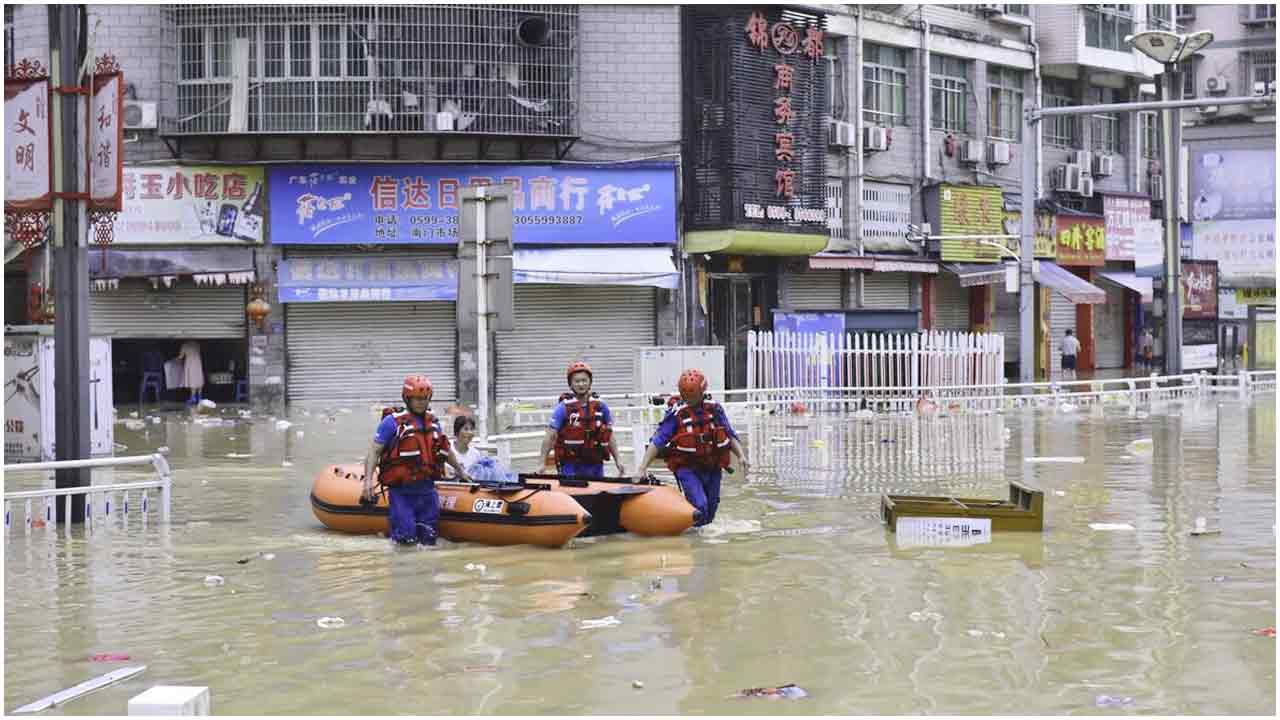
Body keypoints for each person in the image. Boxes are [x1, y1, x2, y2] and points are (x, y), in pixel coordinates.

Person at [363, 374, 472, 546]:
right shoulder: (392, 423)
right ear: (407, 398)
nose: (422, 402)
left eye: (425, 398)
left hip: (427, 492)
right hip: (402, 493)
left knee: (429, 541)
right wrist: (367, 482)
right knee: (406, 540)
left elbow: (445, 450)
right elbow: (374, 452)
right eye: (417, 399)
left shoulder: (434, 423)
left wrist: (460, 471)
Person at [635, 368, 748, 528]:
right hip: (687, 468)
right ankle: (693, 539)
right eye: (686, 396)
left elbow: (729, 433)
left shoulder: (714, 409)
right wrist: (642, 467)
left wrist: (741, 456)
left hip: (712, 466)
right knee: (700, 505)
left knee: (710, 512)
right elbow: (658, 440)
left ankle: (700, 542)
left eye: (693, 396)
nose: (689, 400)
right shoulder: (677, 413)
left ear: (702, 392)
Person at [539, 361, 627, 478]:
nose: (581, 384)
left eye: (584, 380)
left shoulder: (601, 406)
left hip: (595, 463)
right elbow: (550, 436)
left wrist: (618, 460)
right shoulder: (563, 408)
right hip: (570, 464)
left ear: (590, 382)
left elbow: (609, 435)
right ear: (570, 384)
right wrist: (541, 463)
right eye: (577, 381)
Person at [445, 414, 484, 479]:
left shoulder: (476, 454)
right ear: (457, 431)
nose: (470, 432)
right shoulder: (447, 448)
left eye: (472, 429)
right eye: (466, 429)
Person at [175, 340, 204, 405]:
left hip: (190, 363)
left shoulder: (185, 345)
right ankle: (199, 397)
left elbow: (181, 356)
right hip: (198, 363)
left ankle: (193, 398)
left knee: (192, 380)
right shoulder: (197, 344)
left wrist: (175, 360)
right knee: (199, 379)